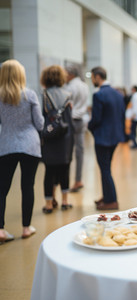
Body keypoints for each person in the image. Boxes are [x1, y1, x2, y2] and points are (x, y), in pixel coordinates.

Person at [0, 59, 44, 241]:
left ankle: (1, 230)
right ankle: (26, 228)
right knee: (27, 186)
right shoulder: (30, 95)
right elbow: (40, 123)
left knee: (2, 188)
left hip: (6, 145)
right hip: (29, 145)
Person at [88, 66, 125, 210]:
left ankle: (111, 201)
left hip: (102, 137)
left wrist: (89, 127)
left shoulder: (98, 95)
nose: (92, 80)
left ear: (97, 77)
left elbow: (96, 118)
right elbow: (122, 115)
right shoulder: (118, 94)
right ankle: (107, 195)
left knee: (104, 169)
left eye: (92, 77)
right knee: (106, 167)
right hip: (115, 136)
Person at [40, 65, 74, 214]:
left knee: (49, 171)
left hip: (49, 137)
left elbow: (41, 118)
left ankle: (49, 204)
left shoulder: (44, 95)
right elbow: (69, 119)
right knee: (64, 169)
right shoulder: (68, 94)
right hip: (65, 137)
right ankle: (65, 202)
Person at [65, 66, 89, 193]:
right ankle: (78, 179)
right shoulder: (84, 85)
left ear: (71, 74)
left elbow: (66, 104)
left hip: (71, 120)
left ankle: (65, 183)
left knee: (67, 152)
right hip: (81, 120)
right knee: (80, 152)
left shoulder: (70, 87)